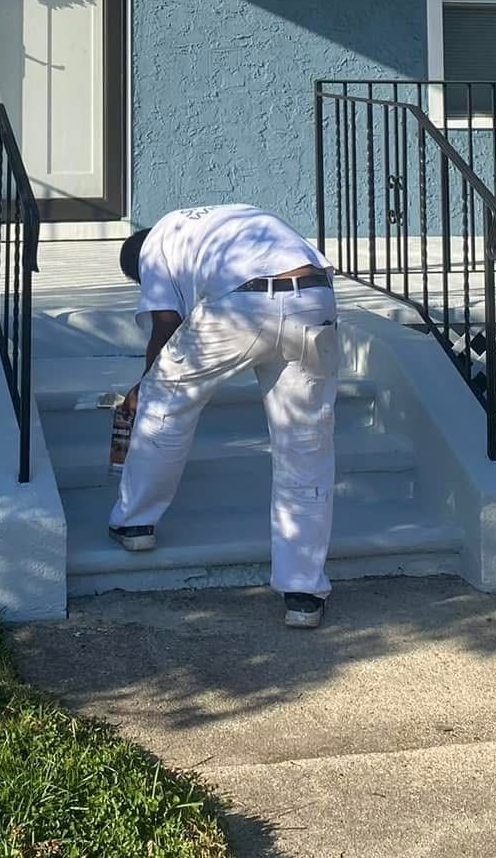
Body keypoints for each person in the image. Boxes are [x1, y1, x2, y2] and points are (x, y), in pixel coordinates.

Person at [108, 203, 341, 629]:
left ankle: (135, 522)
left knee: (166, 402)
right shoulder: (216, 221)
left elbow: (165, 326)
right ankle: (303, 593)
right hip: (314, 296)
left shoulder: (155, 244)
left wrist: (144, 385)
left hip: (243, 304)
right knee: (305, 448)